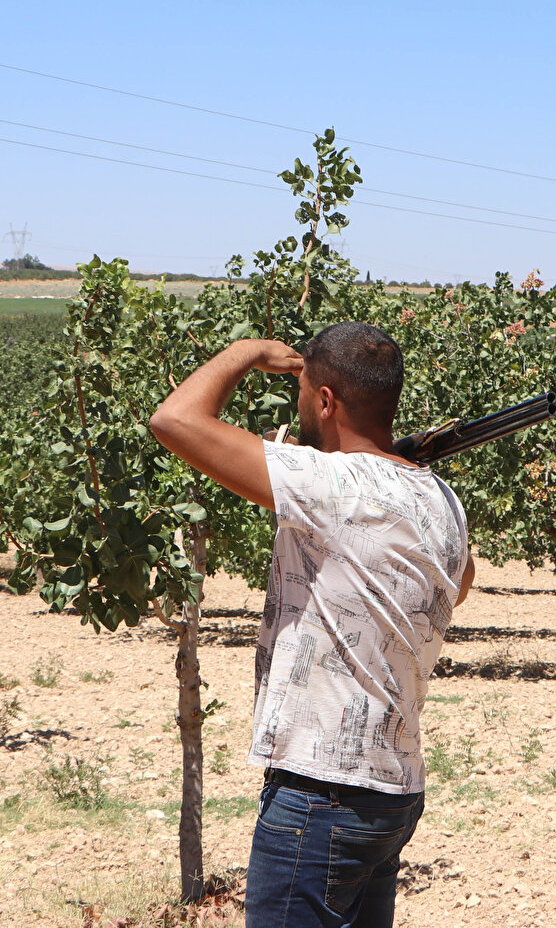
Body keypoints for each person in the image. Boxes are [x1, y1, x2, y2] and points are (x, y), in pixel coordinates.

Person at [150, 322, 474, 928]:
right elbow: (459, 582)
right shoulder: (443, 500)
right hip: (394, 791)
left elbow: (174, 420)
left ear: (325, 400)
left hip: (321, 796)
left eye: (301, 393)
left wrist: (248, 351)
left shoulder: (330, 484)